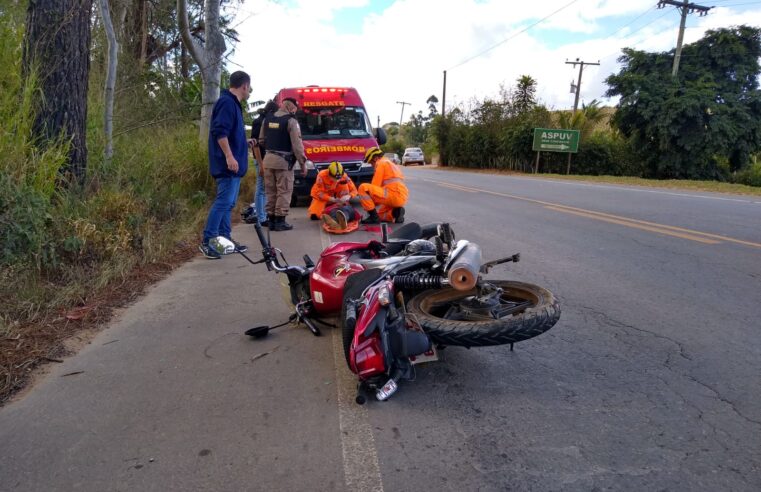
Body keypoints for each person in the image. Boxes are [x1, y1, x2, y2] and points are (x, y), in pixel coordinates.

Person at [200, 71, 252, 259]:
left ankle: (225, 239)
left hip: (234, 166)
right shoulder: (227, 102)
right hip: (227, 166)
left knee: (228, 203)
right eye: (249, 88)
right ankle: (209, 241)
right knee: (223, 202)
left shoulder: (233, 104)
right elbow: (219, 132)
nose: (249, 92)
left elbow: (229, 134)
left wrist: (244, 143)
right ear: (244, 86)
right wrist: (230, 157)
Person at [255, 97, 307, 231]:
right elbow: (297, 145)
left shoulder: (267, 119)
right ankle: (280, 221)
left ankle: (271, 220)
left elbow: (261, 140)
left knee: (270, 191)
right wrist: (302, 163)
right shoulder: (291, 121)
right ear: (291, 107)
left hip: (268, 160)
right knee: (284, 191)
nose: (295, 111)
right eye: (295, 109)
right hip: (283, 162)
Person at [243, 100, 278, 227]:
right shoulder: (259, 122)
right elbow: (255, 146)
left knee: (265, 189)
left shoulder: (268, 122)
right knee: (261, 189)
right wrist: (261, 164)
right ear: (271, 111)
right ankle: (261, 218)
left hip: (267, 160)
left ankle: (263, 215)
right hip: (261, 160)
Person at [358, 147, 408, 224]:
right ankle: (396, 213)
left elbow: (374, 188)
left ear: (375, 158)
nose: (371, 165)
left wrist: (369, 206)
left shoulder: (380, 164)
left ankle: (373, 217)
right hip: (401, 197)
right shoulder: (390, 163)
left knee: (363, 188)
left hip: (392, 195)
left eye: (371, 162)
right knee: (380, 215)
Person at [308, 161, 358, 230]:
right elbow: (319, 193)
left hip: (339, 199)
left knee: (344, 187)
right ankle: (332, 216)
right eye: (335, 178)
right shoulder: (321, 175)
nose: (337, 180)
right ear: (329, 174)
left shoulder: (344, 176)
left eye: (339, 178)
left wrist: (349, 196)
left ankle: (338, 218)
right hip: (323, 197)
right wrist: (331, 199)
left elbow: (354, 190)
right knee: (315, 216)